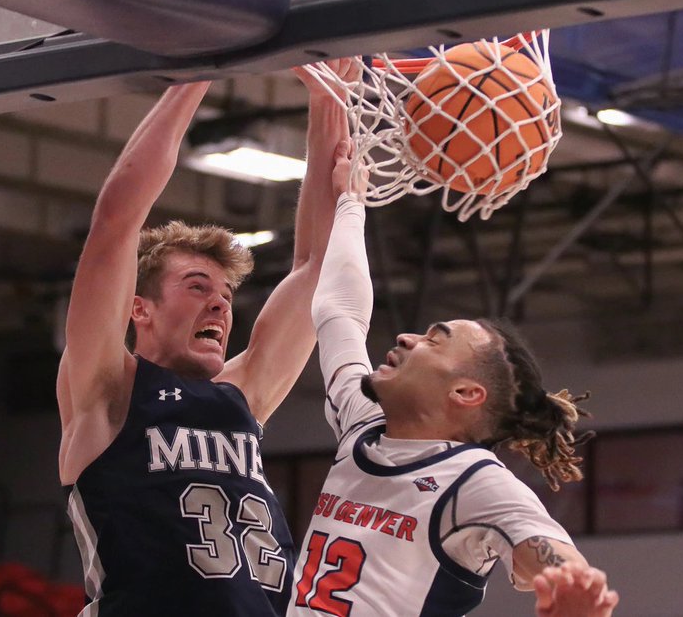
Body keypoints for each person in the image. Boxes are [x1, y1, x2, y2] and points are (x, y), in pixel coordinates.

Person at [57, 64, 354, 617]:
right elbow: (117, 218)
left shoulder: (243, 395)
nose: (220, 303)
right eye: (197, 287)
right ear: (137, 309)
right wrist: (201, 68)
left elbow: (318, 267)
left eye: (223, 293)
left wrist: (327, 98)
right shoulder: (109, 389)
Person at [289, 140, 619, 616]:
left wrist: (569, 587)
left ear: (466, 393)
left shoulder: (473, 481)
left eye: (434, 340)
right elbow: (339, 311)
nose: (405, 337)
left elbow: (546, 552)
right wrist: (350, 205)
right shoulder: (361, 423)